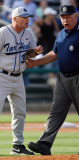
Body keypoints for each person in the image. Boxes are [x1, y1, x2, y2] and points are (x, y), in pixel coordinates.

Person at [0, 6, 43, 156]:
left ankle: (17, 145)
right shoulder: (2, 32)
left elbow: (29, 54)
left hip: (18, 77)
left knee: (20, 112)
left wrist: (35, 52)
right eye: (24, 17)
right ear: (14, 19)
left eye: (28, 17)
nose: (28, 20)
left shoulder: (28, 33)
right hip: (1, 76)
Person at [26, 5, 79, 155]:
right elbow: (54, 54)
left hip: (78, 77)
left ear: (75, 16)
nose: (65, 20)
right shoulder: (61, 33)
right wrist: (35, 62)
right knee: (55, 112)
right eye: (62, 17)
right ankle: (44, 143)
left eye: (68, 16)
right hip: (62, 78)